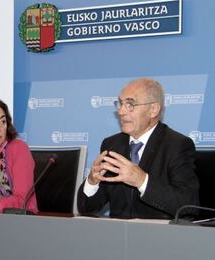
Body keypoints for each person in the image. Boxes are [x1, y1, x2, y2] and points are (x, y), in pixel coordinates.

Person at [77, 78, 199, 219]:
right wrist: (92, 182)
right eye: (121, 104)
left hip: (160, 237)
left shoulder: (177, 145)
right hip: (118, 237)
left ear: (153, 110)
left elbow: (187, 204)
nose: (121, 111)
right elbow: (87, 208)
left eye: (130, 104)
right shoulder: (112, 145)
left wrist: (142, 181)